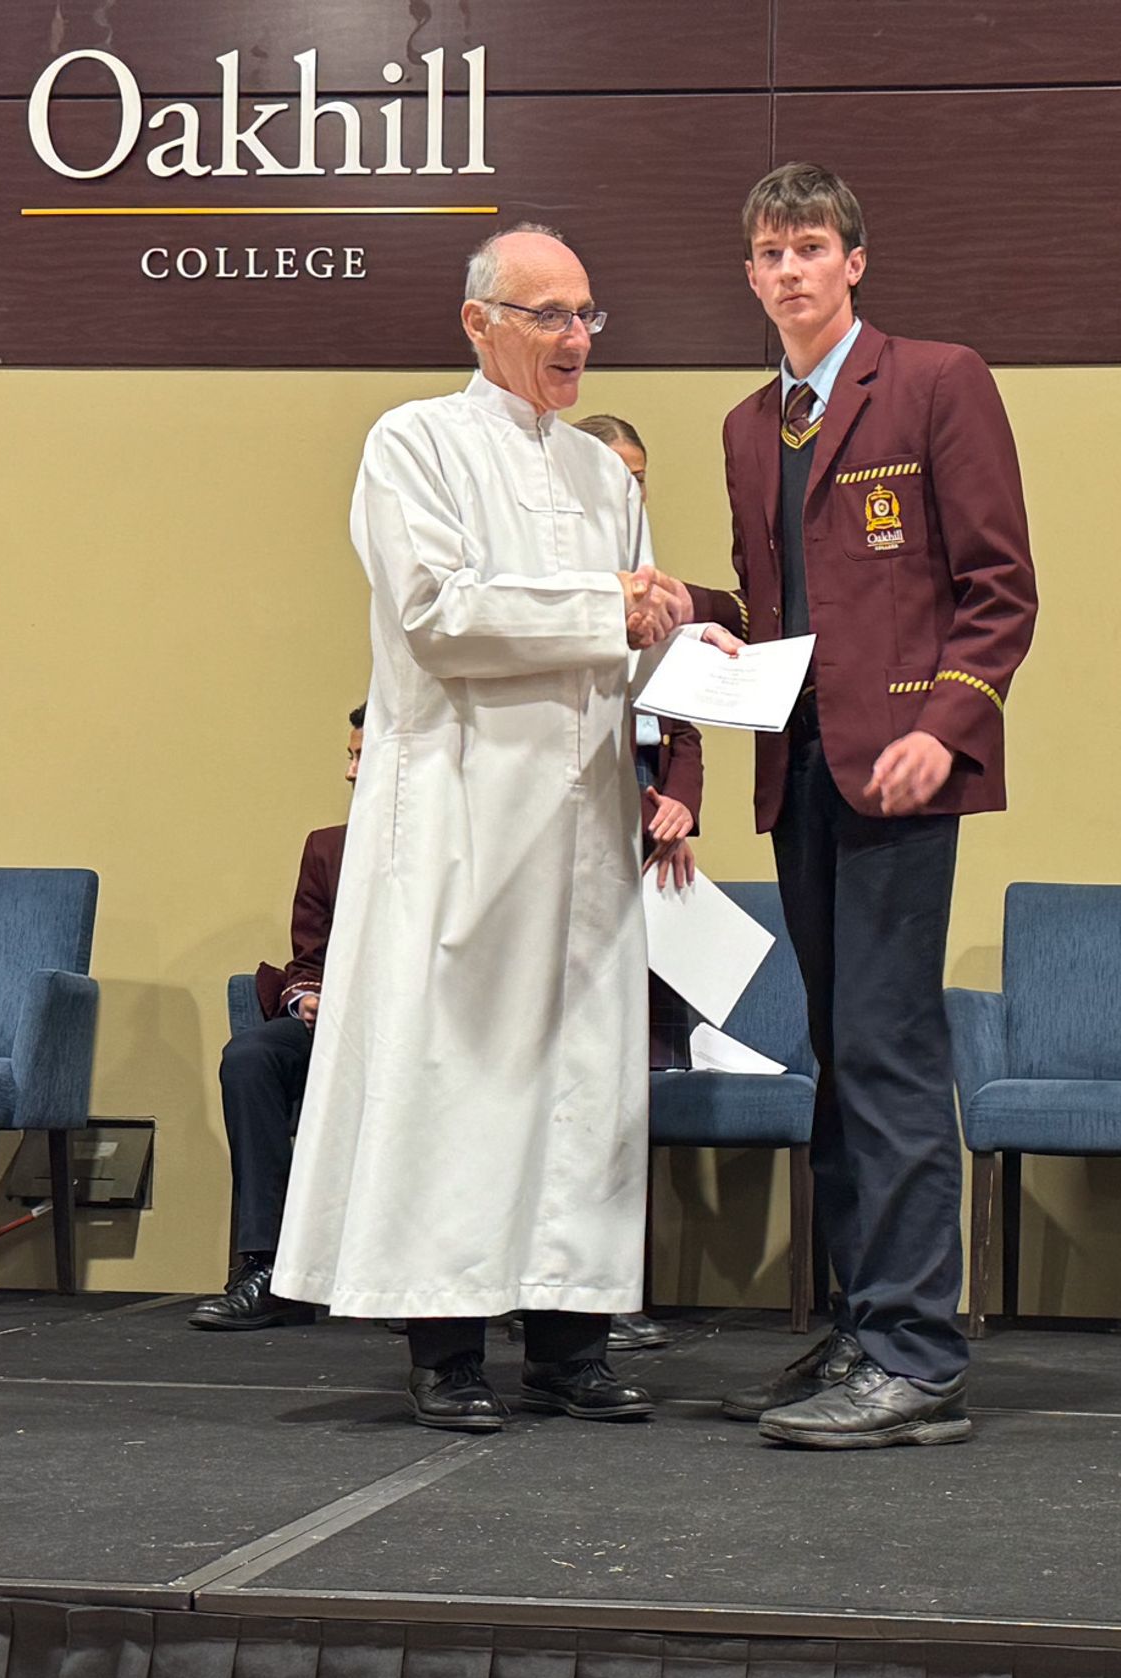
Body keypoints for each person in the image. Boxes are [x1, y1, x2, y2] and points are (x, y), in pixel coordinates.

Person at [271, 226, 737, 1433]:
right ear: (479, 323)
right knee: (459, 1076)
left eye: (588, 315)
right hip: (463, 818)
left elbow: (628, 646)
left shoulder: (601, 475)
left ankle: (572, 1343)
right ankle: (446, 1348)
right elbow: (435, 614)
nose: (577, 339)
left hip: (583, 823)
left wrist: (694, 649)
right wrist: (606, 606)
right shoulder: (414, 441)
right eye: (550, 316)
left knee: (586, 1080)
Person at [658, 163, 1038, 1449]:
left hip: (899, 768)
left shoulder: (937, 381)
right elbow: (780, 610)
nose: (789, 272)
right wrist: (696, 612)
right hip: (798, 767)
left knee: (889, 1049)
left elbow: (1000, 590)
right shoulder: (746, 426)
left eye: (810, 247)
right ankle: (861, 1327)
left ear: (854, 261)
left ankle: (917, 1356)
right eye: (768, 254)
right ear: (749, 275)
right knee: (838, 1056)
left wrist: (947, 728)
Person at [574, 412, 701, 1353]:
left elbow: (678, 714)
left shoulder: (653, 583)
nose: (632, 491)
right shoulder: (562, 580)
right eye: (617, 474)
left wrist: (678, 804)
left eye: (642, 478)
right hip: (562, 838)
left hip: (644, 844)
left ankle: (609, 1291)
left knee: (629, 1079)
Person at [190, 704, 363, 1331]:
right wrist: (306, 999)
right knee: (251, 1056)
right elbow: (308, 959)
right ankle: (270, 1270)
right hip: (340, 1027)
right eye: (349, 756)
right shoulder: (328, 848)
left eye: (363, 757)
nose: (349, 772)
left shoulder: (455, 845)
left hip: (430, 1033)